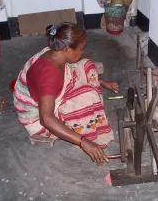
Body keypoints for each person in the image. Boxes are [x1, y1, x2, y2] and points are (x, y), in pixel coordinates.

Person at [13, 22, 119, 166]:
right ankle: (87, 133)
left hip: (48, 96)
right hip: (37, 119)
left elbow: (74, 67)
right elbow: (46, 119)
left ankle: (88, 112)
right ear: (68, 49)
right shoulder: (49, 75)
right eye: (81, 49)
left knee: (87, 65)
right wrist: (83, 142)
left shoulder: (54, 52)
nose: (82, 52)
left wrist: (102, 82)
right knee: (86, 97)